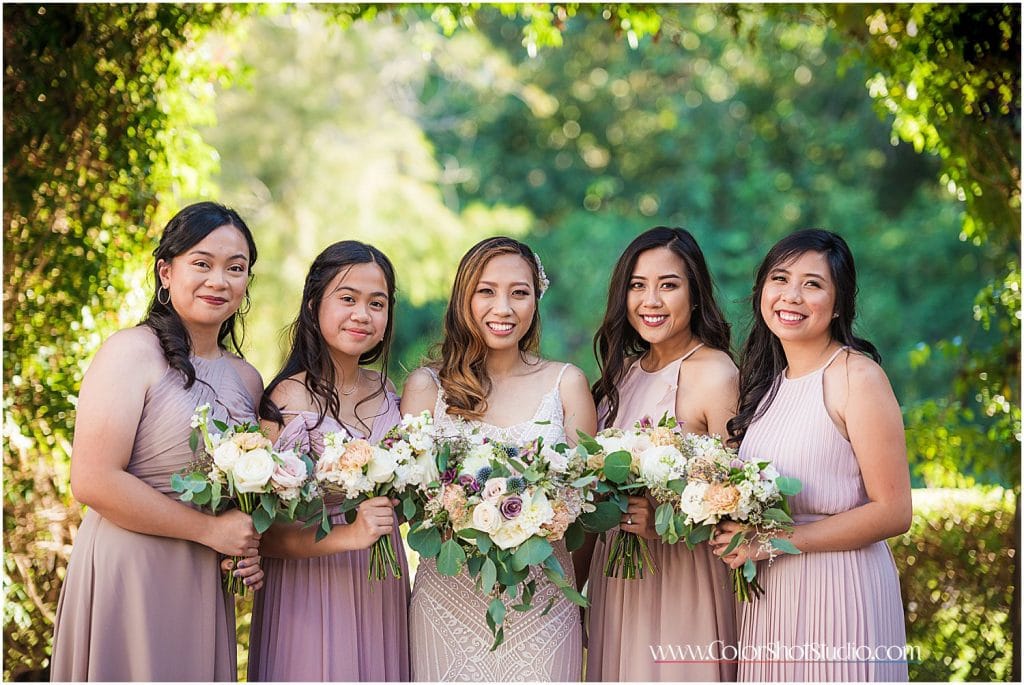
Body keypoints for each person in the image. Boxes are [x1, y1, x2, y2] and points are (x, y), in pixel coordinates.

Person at [51, 202, 265, 681]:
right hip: (130, 568)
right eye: (202, 264)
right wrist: (210, 531)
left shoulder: (248, 379)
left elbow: (240, 497)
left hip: (201, 579)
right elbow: (92, 480)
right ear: (166, 272)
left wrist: (244, 544)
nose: (219, 281)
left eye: (236, 268)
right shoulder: (130, 352)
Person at [712, 229, 911, 681]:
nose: (791, 296)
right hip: (772, 594)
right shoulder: (764, 387)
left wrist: (773, 542)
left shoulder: (856, 377)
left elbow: (894, 511)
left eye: (813, 284)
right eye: (780, 279)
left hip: (842, 588)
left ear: (839, 303)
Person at [401, 236, 597, 681]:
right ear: (464, 298)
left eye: (519, 292)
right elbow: (410, 505)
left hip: (544, 604)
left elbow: (586, 512)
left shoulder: (566, 384)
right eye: (486, 291)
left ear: (536, 300)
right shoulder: (426, 388)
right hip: (447, 602)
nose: (503, 308)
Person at [574, 226, 739, 681]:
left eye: (668, 285)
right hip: (618, 579)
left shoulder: (715, 373)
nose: (651, 300)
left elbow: (737, 501)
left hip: (683, 579)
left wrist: (666, 520)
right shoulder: (619, 376)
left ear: (695, 293)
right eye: (637, 286)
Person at [247, 241, 409, 682]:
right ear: (315, 303)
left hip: (381, 585)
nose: (363, 314)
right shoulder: (283, 401)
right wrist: (349, 535)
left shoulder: (391, 392)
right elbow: (265, 535)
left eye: (377, 303)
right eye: (348, 298)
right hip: (309, 589)